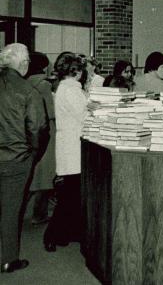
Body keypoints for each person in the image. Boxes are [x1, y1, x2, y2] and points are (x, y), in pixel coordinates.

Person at [0, 43, 49, 273]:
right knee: (10, 209)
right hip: (16, 159)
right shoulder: (29, 92)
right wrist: (33, 154)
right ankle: (8, 258)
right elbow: (38, 128)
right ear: (23, 64)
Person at [43, 54, 88, 252]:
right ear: (76, 71)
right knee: (69, 195)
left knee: (72, 194)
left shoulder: (65, 88)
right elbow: (84, 115)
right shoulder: (71, 90)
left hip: (69, 146)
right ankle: (51, 235)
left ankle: (66, 234)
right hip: (73, 147)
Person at [25, 51, 56, 226]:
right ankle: (40, 214)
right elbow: (50, 112)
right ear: (44, 66)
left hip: (31, 132)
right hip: (47, 132)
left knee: (34, 174)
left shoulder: (26, 82)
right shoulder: (44, 85)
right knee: (46, 175)